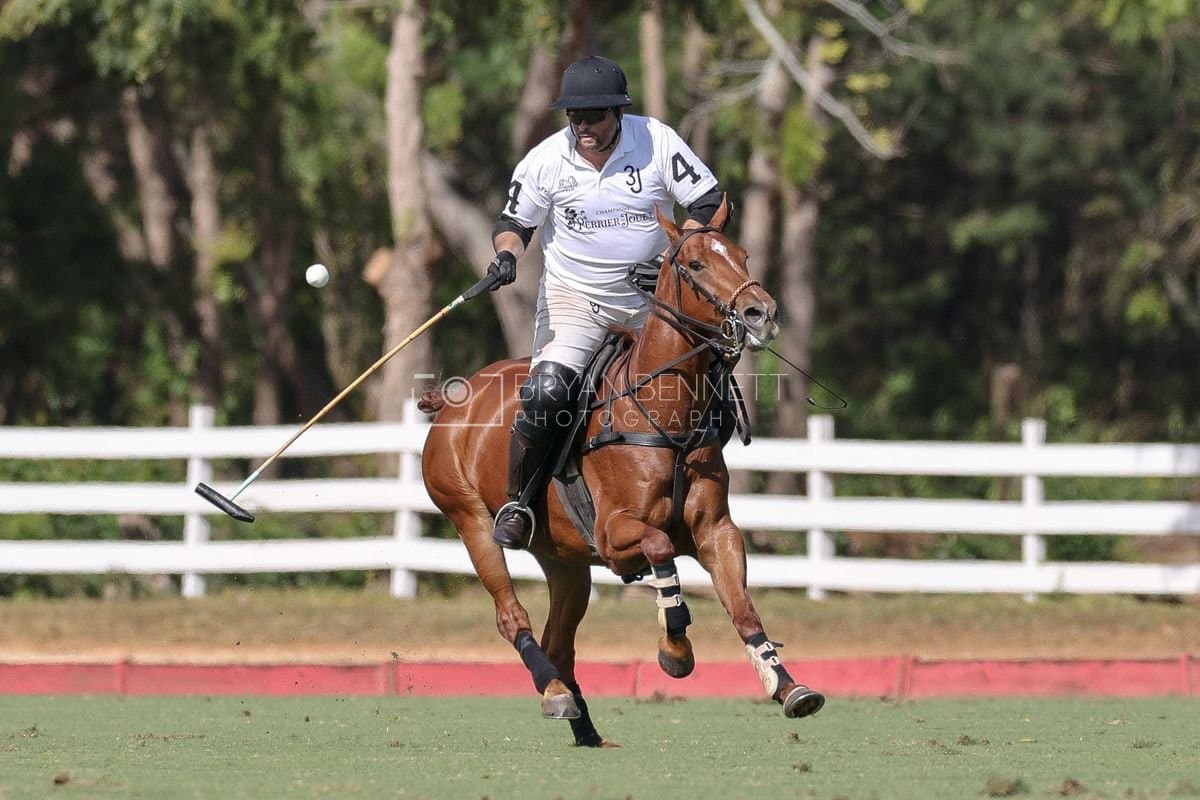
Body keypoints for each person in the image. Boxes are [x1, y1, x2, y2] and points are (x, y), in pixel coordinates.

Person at [485, 55, 730, 550]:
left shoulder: (656, 141)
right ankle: (520, 501)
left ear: (619, 112)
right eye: (574, 117)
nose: (583, 127)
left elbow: (710, 202)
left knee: (713, 379)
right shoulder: (547, 159)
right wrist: (508, 257)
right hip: (577, 301)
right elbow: (514, 223)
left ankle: (697, 498)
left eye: (593, 116)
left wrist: (683, 250)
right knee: (546, 394)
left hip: (655, 305)